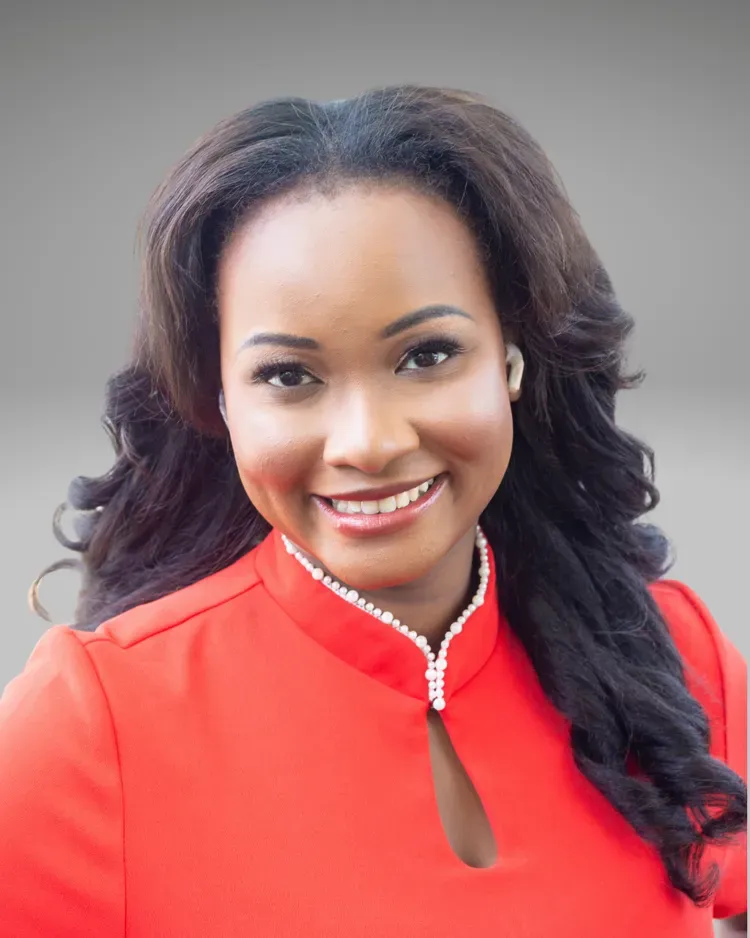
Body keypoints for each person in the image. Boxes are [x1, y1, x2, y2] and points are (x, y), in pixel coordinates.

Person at [0, 85, 745, 937]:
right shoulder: (89, 731)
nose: (367, 442)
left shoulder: (675, 663)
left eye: (427, 355)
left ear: (510, 360)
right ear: (220, 402)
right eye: (288, 375)